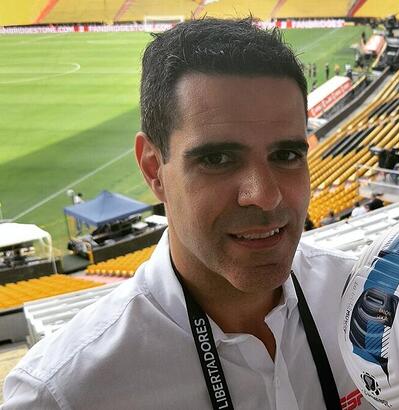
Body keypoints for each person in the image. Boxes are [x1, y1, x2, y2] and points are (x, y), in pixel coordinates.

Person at [2, 18, 372, 410]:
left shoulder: (376, 299)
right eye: (217, 159)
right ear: (152, 169)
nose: (264, 196)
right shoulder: (64, 393)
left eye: (287, 155)